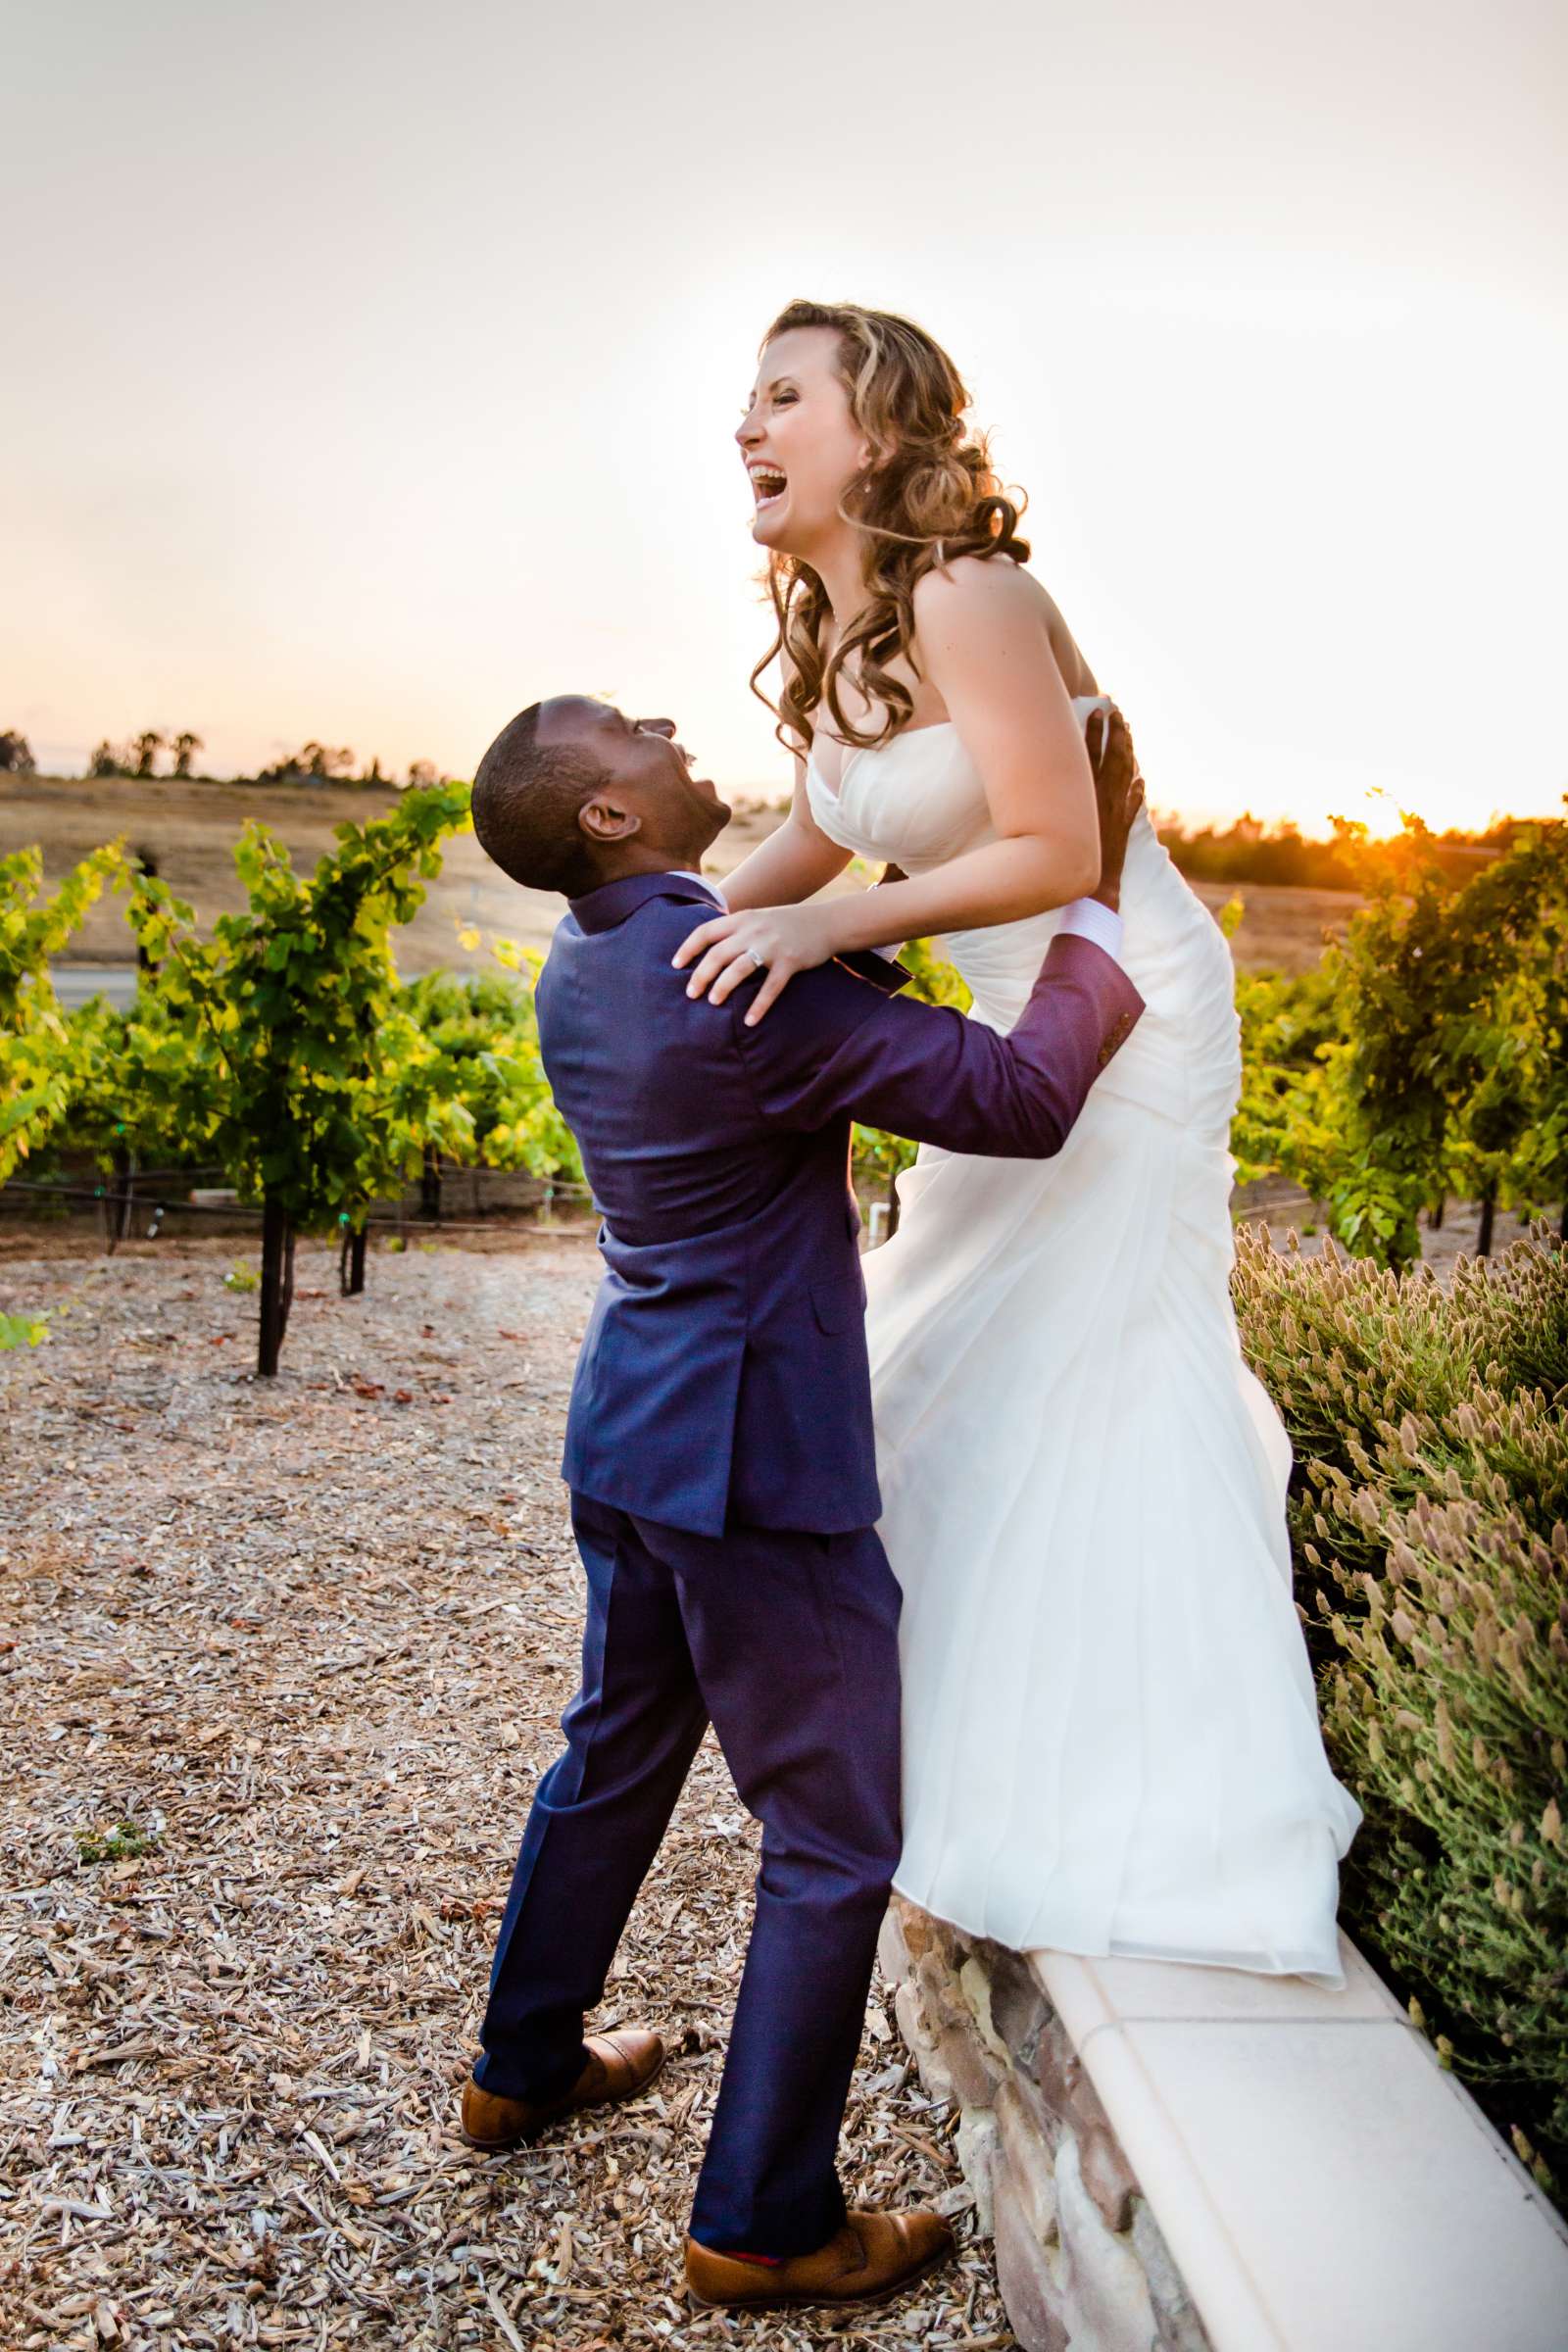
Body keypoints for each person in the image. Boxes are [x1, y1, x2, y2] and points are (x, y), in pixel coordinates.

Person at [676, 298, 1361, 1982]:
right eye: (741, 405)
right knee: (940, 1365)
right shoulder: (842, 639)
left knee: (1086, 1363)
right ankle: (958, 1767)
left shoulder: (969, 596)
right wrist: (644, 933)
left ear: (881, 427)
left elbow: (1059, 848)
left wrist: (828, 937)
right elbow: (808, 841)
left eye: (783, 399)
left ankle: (1150, 1801)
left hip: (1120, 1012)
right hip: (1014, 1029)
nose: (746, 431)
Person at [459, 689, 1145, 2312]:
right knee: (834, 1832)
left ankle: (521, 2063)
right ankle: (763, 2219)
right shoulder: (741, 983)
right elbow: (1020, 1103)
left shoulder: (595, 956)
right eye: (621, 728)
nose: (662, 720)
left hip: (629, 1430)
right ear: (610, 817)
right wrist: (1102, 911)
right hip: (757, 1462)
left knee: (613, 1753)